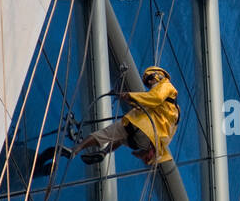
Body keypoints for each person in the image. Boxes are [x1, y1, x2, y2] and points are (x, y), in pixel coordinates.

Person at [34, 66, 179, 173]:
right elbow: (165, 132)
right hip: (144, 141)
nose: (150, 83)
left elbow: (155, 98)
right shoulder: (173, 114)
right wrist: (153, 151)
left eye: (149, 79)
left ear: (157, 75)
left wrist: (130, 96)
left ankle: (75, 150)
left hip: (141, 128)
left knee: (107, 133)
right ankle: (104, 152)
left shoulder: (166, 85)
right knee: (121, 138)